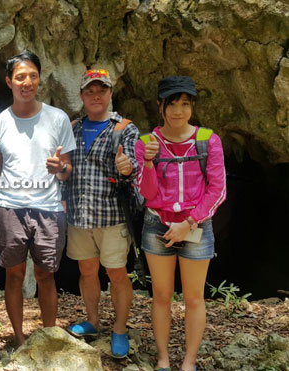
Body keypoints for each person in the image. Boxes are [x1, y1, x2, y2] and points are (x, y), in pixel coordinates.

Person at [134, 76, 226, 371]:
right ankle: (163, 359)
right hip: (158, 226)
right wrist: (148, 164)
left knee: (194, 298)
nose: (178, 111)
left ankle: (188, 362)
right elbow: (146, 193)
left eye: (184, 104)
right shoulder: (146, 143)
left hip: (196, 226)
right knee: (161, 296)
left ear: (192, 106)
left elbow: (218, 189)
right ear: (160, 107)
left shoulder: (208, 140)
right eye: (171, 104)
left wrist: (189, 222)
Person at [0, 51, 75, 347]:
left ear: (40, 79)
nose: (27, 82)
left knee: (46, 274)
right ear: (9, 82)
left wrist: (59, 168)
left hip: (49, 209)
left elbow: (66, 170)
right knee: (14, 275)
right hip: (9, 208)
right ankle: (20, 337)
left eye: (33, 76)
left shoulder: (57, 118)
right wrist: (12, 188)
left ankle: (49, 334)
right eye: (20, 76)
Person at [63, 68, 140, 358]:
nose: (96, 96)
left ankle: (119, 328)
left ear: (110, 93)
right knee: (87, 270)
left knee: (117, 273)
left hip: (112, 216)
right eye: (90, 91)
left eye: (102, 90)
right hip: (80, 216)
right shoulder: (73, 128)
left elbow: (133, 166)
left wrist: (128, 167)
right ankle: (93, 321)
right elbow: (66, 168)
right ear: (82, 95)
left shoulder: (124, 129)